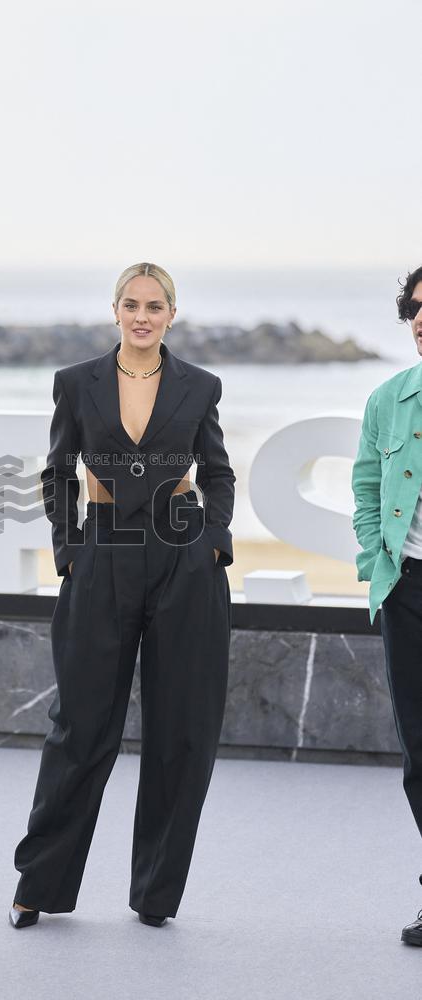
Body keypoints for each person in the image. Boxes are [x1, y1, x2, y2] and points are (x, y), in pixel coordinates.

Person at [10, 262, 234, 928]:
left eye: (155, 306)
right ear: (115, 311)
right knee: (80, 728)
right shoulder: (77, 383)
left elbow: (217, 471)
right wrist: (69, 550)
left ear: (172, 314)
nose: (143, 315)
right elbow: (56, 473)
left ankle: (156, 895)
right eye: (131, 304)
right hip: (102, 553)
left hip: (182, 556)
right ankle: (38, 886)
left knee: (182, 731)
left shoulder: (201, 387)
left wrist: (213, 544)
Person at [352, 265, 422, 947]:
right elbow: (367, 485)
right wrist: (380, 560)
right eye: (418, 307)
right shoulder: (389, 399)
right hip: (410, 588)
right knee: (419, 751)